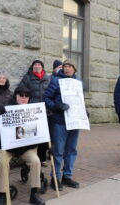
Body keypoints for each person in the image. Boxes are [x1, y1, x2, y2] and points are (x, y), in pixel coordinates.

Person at [0, 86, 45, 205]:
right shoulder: (5, 109)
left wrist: (46, 145)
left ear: (29, 98)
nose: (23, 98)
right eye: (21, 95)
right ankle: (2, 194)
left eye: (26, 96)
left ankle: (34, 194)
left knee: (36, 161)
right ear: (15, 96)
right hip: (7, 147)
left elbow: (41, 130)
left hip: (25, 148)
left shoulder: (34, 111)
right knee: (2, 163)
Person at [43, 59, 82, 191]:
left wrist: (84, 111)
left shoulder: (78, 83)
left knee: (71, 150)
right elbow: (46, 98)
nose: (67, 68)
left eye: (70, 66)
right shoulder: (56, 81)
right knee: (58, 151)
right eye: (65, 66)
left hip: (75, 121)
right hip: (60, 121)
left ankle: (67, 176)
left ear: (74, 69)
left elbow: (79, 100)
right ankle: (55, 177)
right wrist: (56, 106)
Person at [19, 59, 51, 167]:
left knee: (43, 136)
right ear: (32, 67)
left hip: (45, 111)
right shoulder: (27, 78)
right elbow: (20, 90)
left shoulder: (48, 78)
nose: (37, 66)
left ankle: (42, 158)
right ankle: (30, 159)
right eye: (35, 65)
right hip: (32, 112)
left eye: (39, 65)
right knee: (31, 135)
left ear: (42, 67)